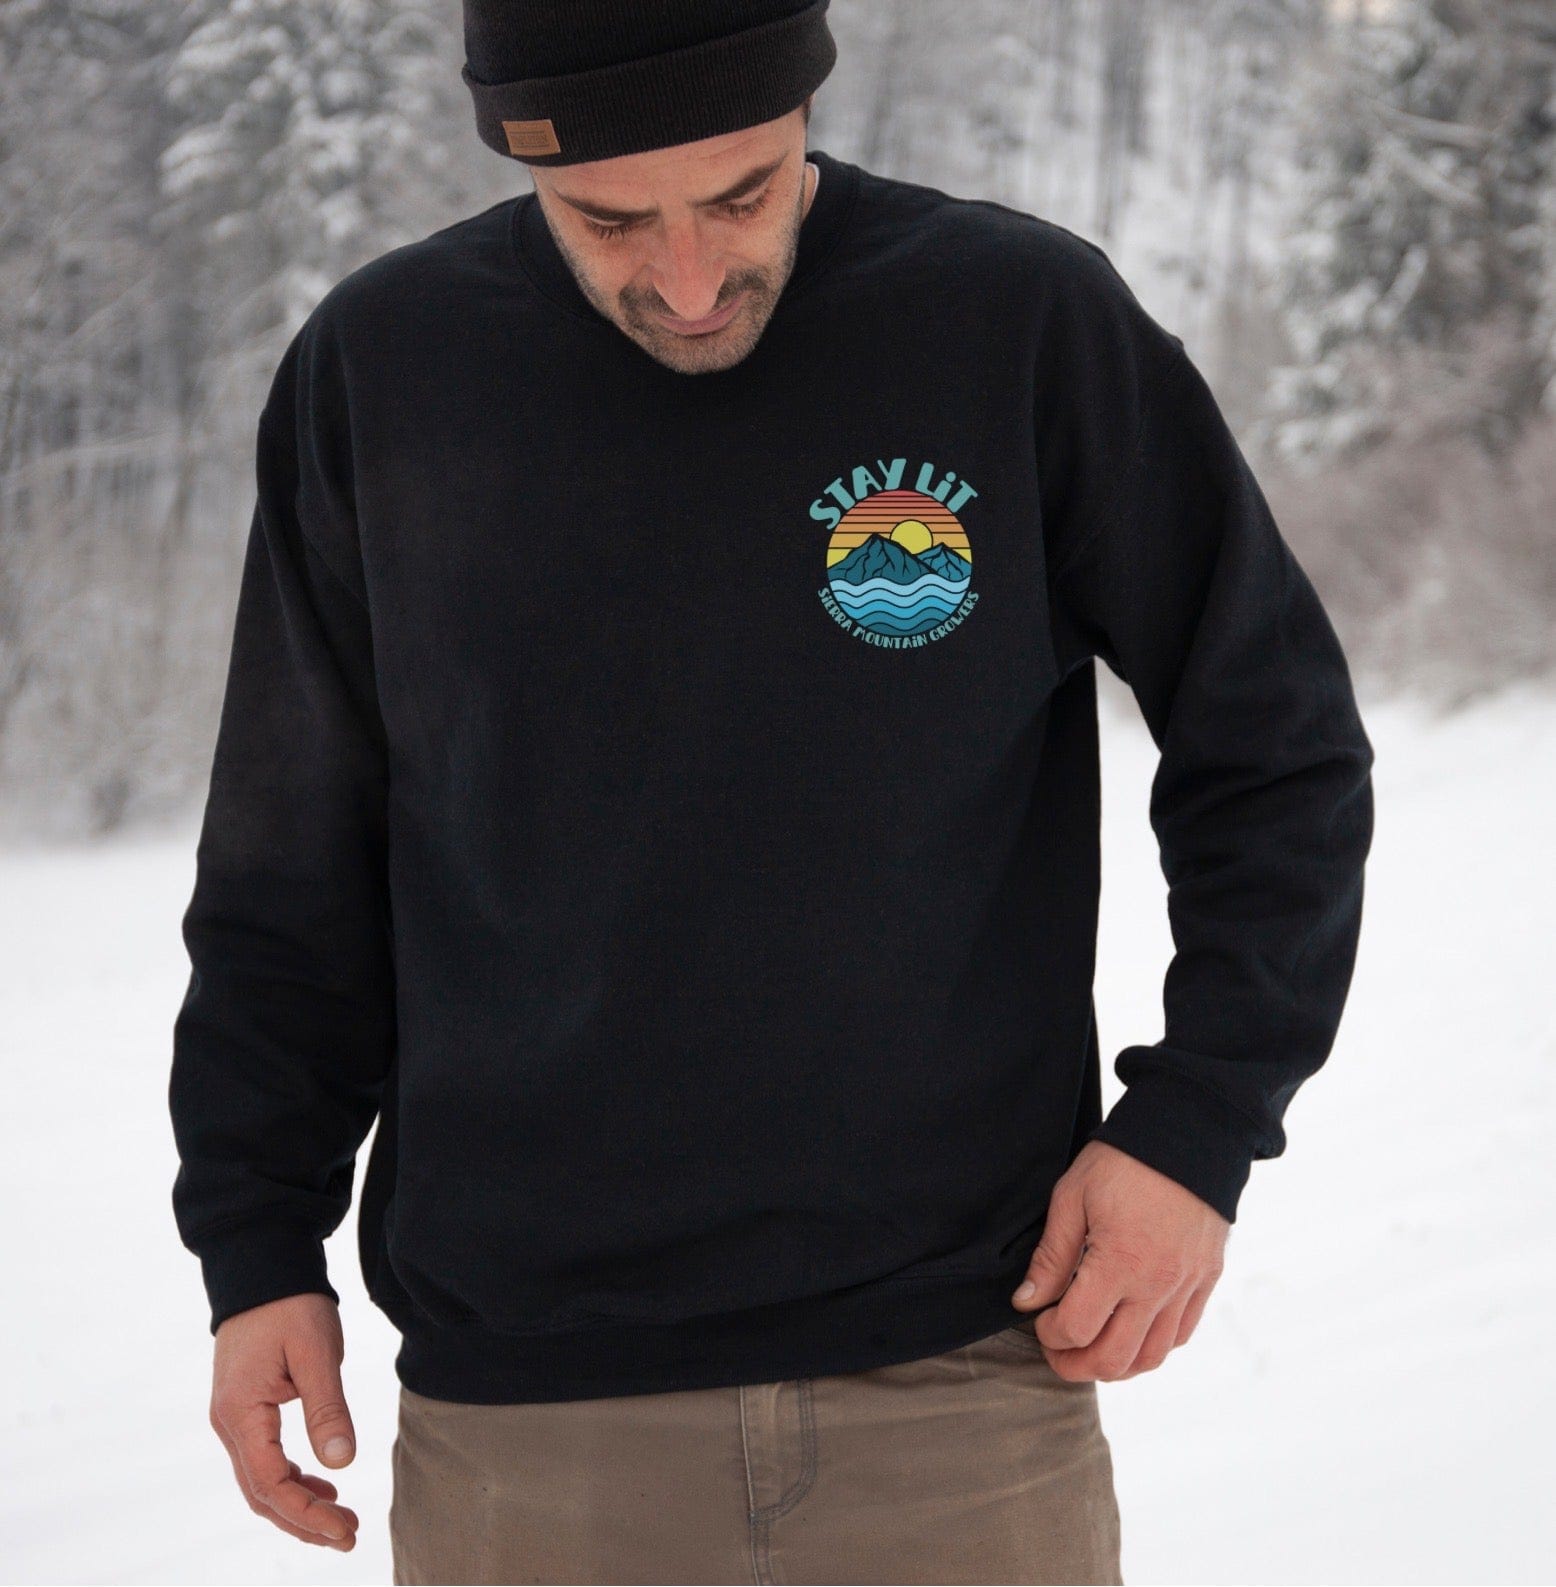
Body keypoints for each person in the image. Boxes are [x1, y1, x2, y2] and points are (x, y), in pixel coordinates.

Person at [166, 1, 1376, 1581]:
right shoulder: (383, 371)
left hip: (963, 1390)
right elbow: (290, 865)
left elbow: (1274, 741)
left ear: (808, 103)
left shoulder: (1014, 323)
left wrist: (1197, 1126)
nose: (687, 279)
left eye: (738, 194)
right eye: (609, 219)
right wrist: (258, 1246)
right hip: (531, 1424)